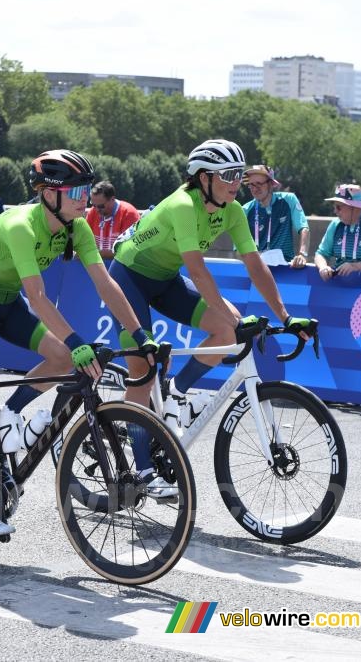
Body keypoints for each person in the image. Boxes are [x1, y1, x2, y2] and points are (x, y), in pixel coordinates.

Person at [0, 149, 156, 537]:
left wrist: (141, 335)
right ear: (47, 193)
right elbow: (39, 299)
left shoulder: (78, 227)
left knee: (61, 360)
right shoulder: (22, 226)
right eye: (75, 190)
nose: (84, 197)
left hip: (6, 301)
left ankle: (9, 418)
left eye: (86, 188)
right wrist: (77, 340)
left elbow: (106, 284)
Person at [108, 139, 312, 496]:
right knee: (142, 368)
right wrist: (233, 316)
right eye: (229, 175)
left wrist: (286, 315)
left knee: (225, 330)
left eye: (240, 175)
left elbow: (255, 264)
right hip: (129, 276)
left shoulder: (233, 210)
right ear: (204, 178)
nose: (238, 182)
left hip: (165, 279)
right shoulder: (183, 205)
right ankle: (140, 470)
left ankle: (177, 390)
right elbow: (199, 273)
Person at [241, 165, 310, 267]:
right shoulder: (245, 210)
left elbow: (304, 228)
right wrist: (255, 257)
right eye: (251, 185)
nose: (255, 189)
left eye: (259, 184)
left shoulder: (288, 200)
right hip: (258, 269)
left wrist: (302, 254)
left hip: (286, 268)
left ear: (270, 184)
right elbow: (238, 249)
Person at [85, 180, 139, 260]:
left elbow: (128, 251)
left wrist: (94, 254)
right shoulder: (93, 212)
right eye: (93, 205)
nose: (96, 209)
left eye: (100, 206)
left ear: (112, 199)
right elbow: (83, 242)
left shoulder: (129, 214)